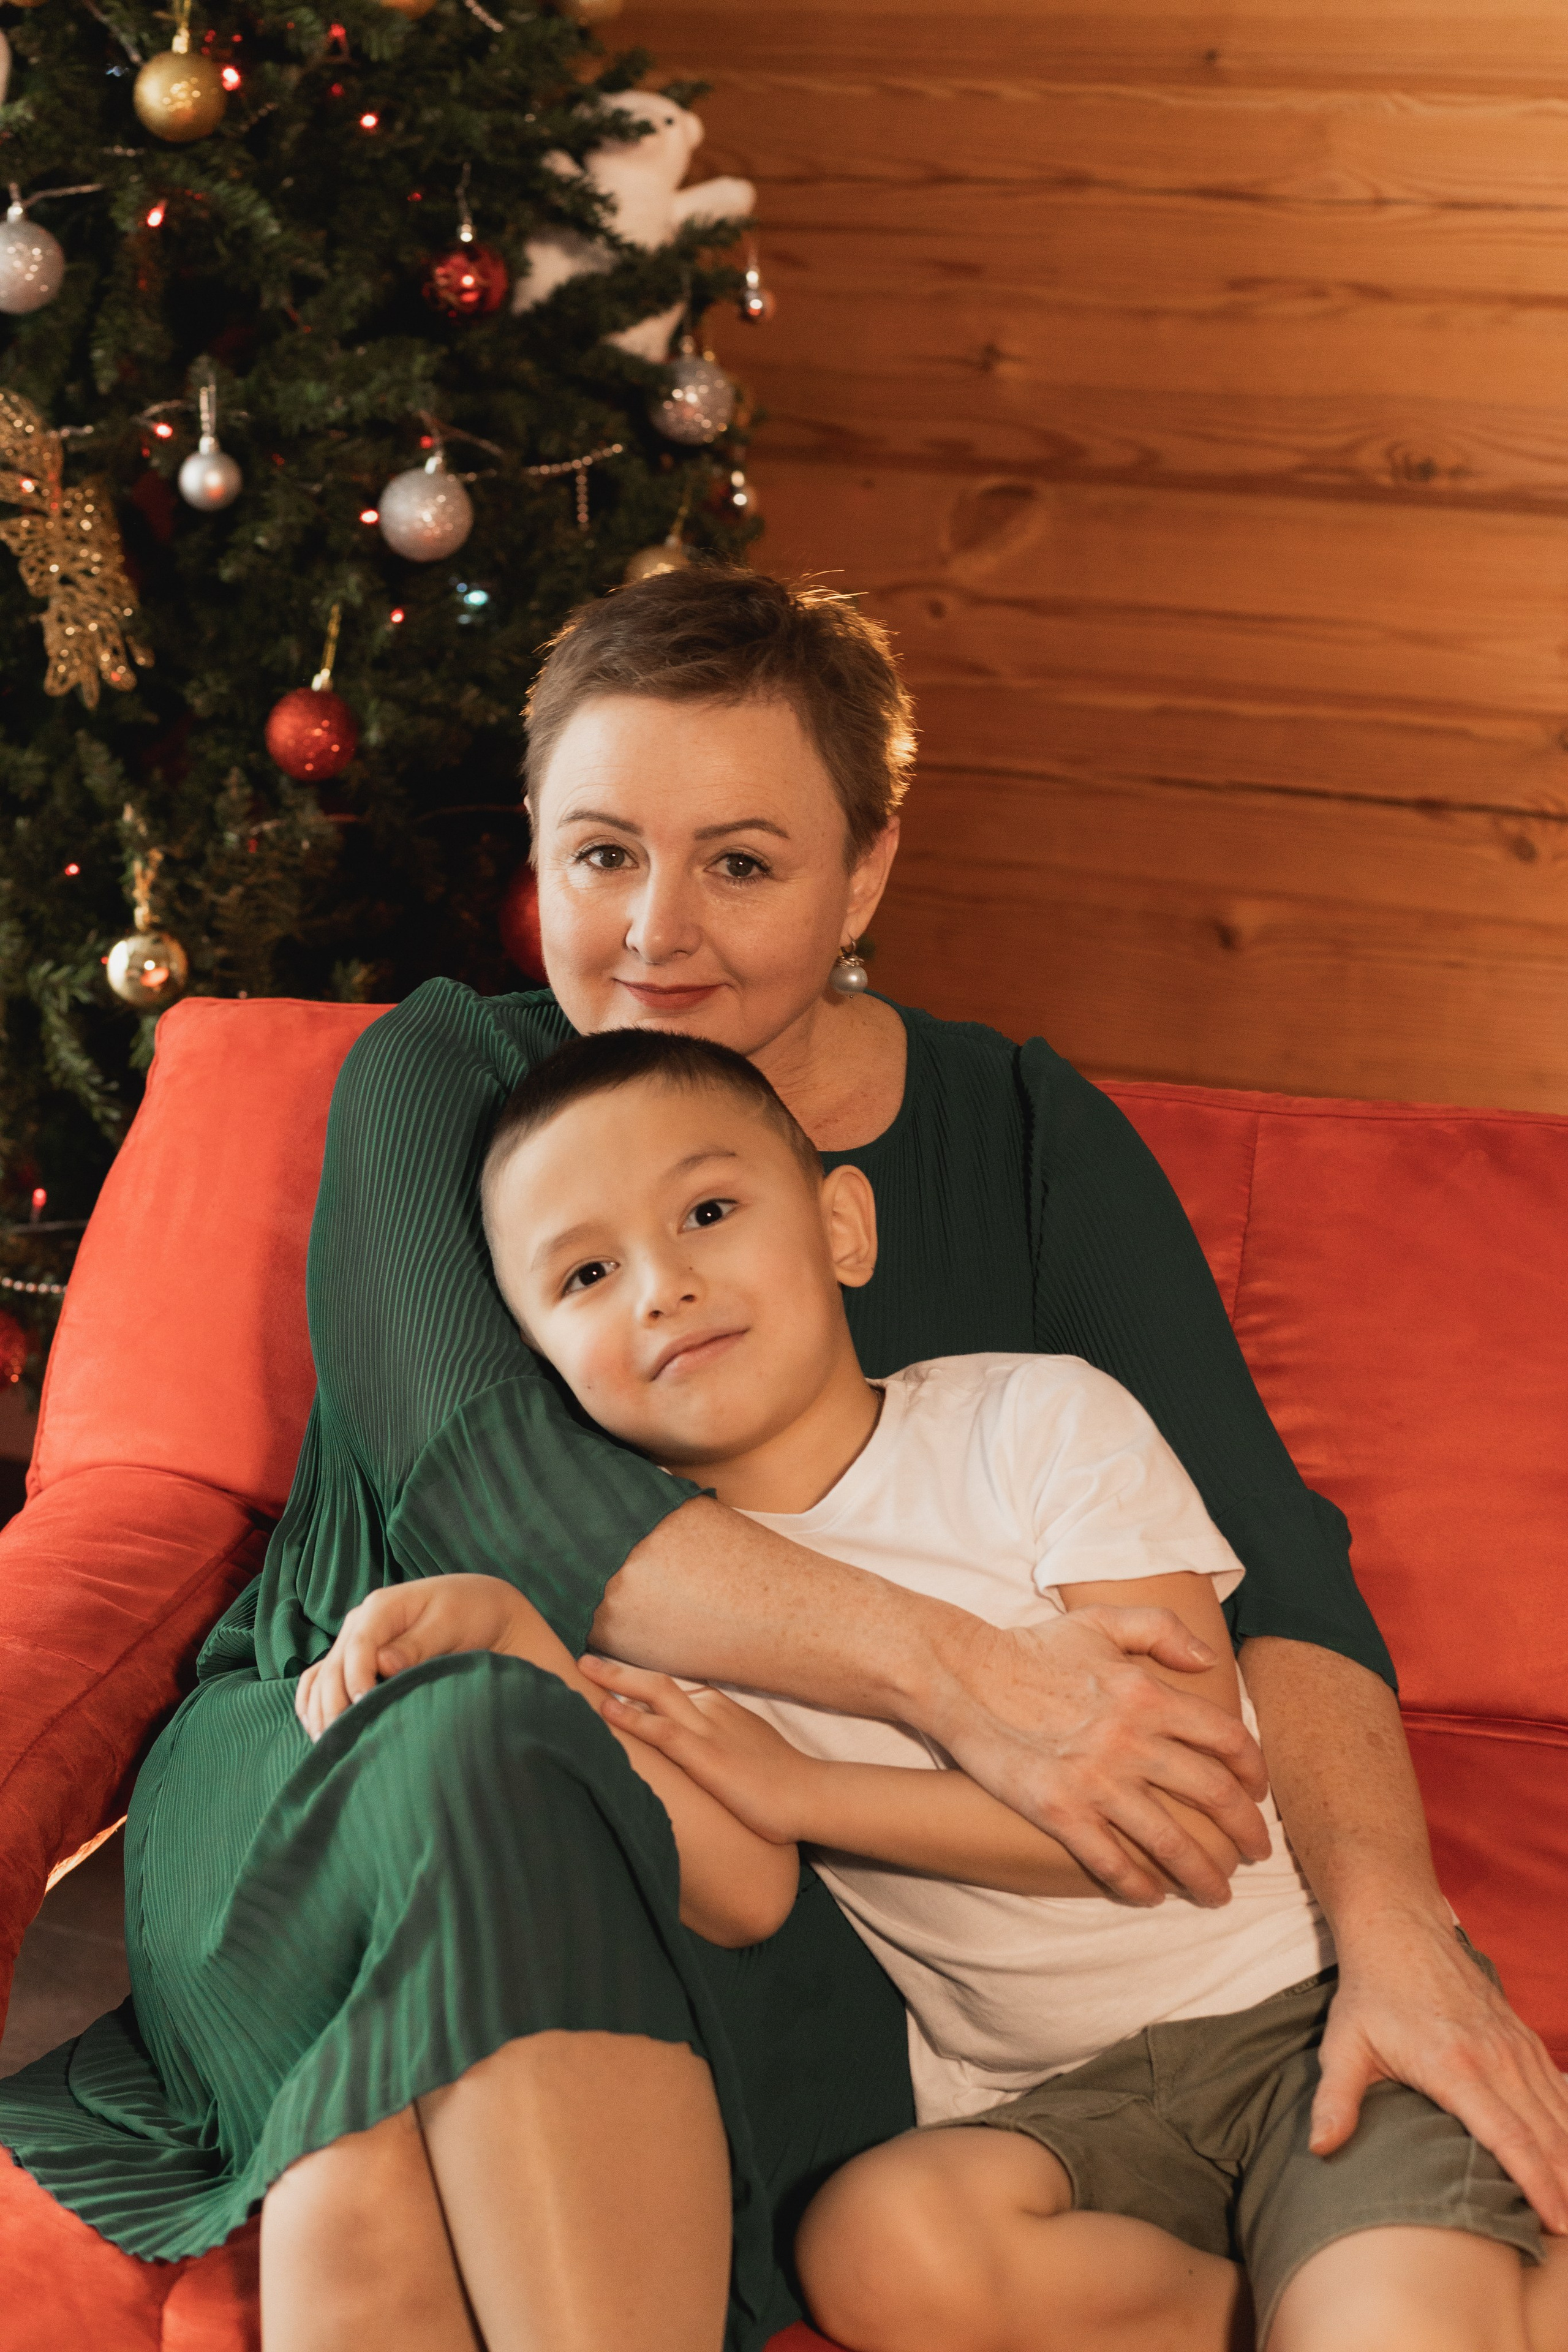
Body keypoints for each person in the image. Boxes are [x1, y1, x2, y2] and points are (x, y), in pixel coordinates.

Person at [2, 569, 1564, 2352]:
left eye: (740, 863)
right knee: (388, 2062)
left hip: (725, 1847)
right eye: (601, 855)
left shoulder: (1026, 1142)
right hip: (343, 1747)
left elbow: (1269, 1565)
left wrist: (1397, 1930)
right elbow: (494, 1487)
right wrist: (972, 1682)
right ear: (538, 844)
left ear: (864, 872)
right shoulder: (443, 1078)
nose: (653, 931)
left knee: (410, 2151)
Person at [303, 1020, 1561, 2352]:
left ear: (842, 1227)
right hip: (1050, 2103)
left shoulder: (1033, 1424)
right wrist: (523, 1659)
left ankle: (1396, 2291)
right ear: (542, 1358)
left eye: (709, 1212)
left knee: (1393, 2325)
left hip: (1304, 2021)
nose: (661, 1288)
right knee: (870, 2249)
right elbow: (745, 1887)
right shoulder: (660, 1604)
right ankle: (1325, 2305)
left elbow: (1173, 1815)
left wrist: (803, 1790)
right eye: (587, 1274)